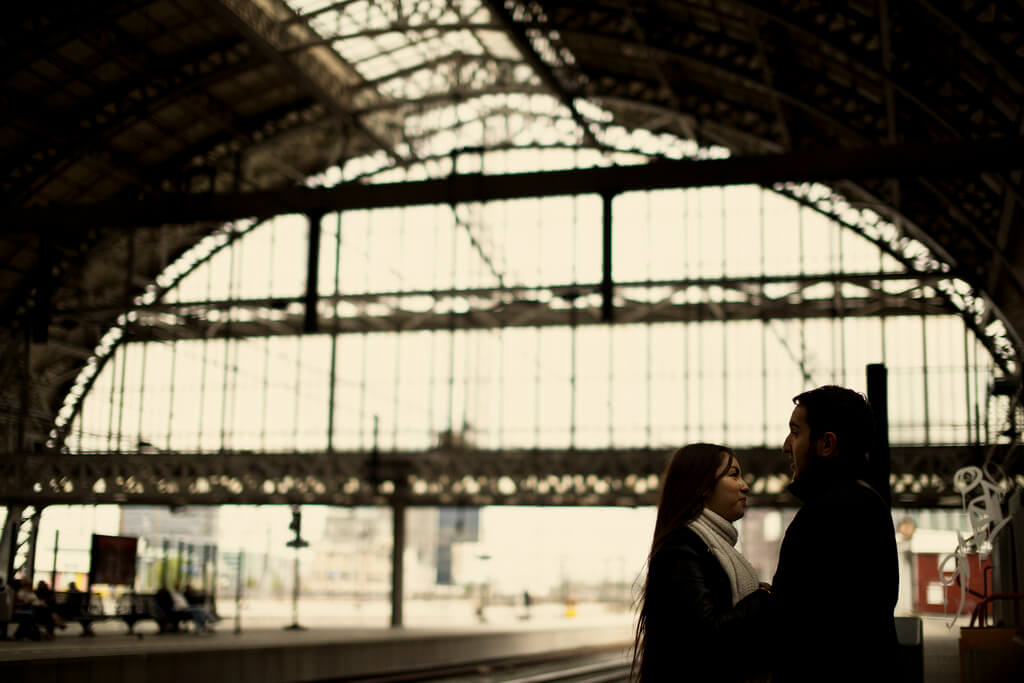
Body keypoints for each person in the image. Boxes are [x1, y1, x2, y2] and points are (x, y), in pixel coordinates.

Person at [773, 385, 899, 682]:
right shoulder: (865, 503)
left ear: (826, 444)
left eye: (795, 432)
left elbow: (798, 623)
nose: (786, 446)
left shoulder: (825, 515)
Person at [632, 443, 772, 683]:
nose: (745, 486)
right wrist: (762, 598)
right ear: (703, 486)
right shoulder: (681, 548)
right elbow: (706, 637)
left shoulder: (710, 547)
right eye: (733, 475)